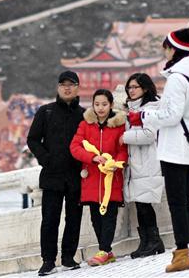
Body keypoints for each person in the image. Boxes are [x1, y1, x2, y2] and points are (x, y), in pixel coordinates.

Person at [128, 20, 189, 272]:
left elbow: (171, 116)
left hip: (176, 146)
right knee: (186, 201)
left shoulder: (178, 78)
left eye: (165, 48)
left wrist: (142, 116)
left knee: (177, 203)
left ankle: (181, 254)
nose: (164, 53)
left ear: (173, 49)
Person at [26, 71, 85, 276]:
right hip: (52, 175)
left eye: (71, 84)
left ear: (78, 87)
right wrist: (46, 158)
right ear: (58, 87)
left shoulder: (84, 115)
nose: (67, 88)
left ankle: (68, 257)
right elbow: (32, 139)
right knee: (50, 219)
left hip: (76, 175)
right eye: (63, 84)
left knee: (74, 218)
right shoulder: (46, 112)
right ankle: (48, 260)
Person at [69, 89, 127, 267]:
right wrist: (92, 158)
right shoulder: (85, 125)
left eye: (104, 104)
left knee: (110, 216)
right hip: (92, 178)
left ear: (111, 105)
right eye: (97, 104)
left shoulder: (119, 126)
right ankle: (107, 252)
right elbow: (75, 147)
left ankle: (103, 250)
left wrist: (116, 163)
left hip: (111, 179)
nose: (100, 108)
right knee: (96, 217)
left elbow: (123, 150)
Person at [123, 73, 166, 258]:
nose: (131, 90)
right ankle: (147, 241)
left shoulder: (151, 108)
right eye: (129, 87)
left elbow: (150, 134)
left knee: (144, 205)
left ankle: (154, 241)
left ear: (145, 88)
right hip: (136, 166)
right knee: (140, 205)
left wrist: (124, 138)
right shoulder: (131, 109)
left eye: (135, 87)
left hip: (148, 163)